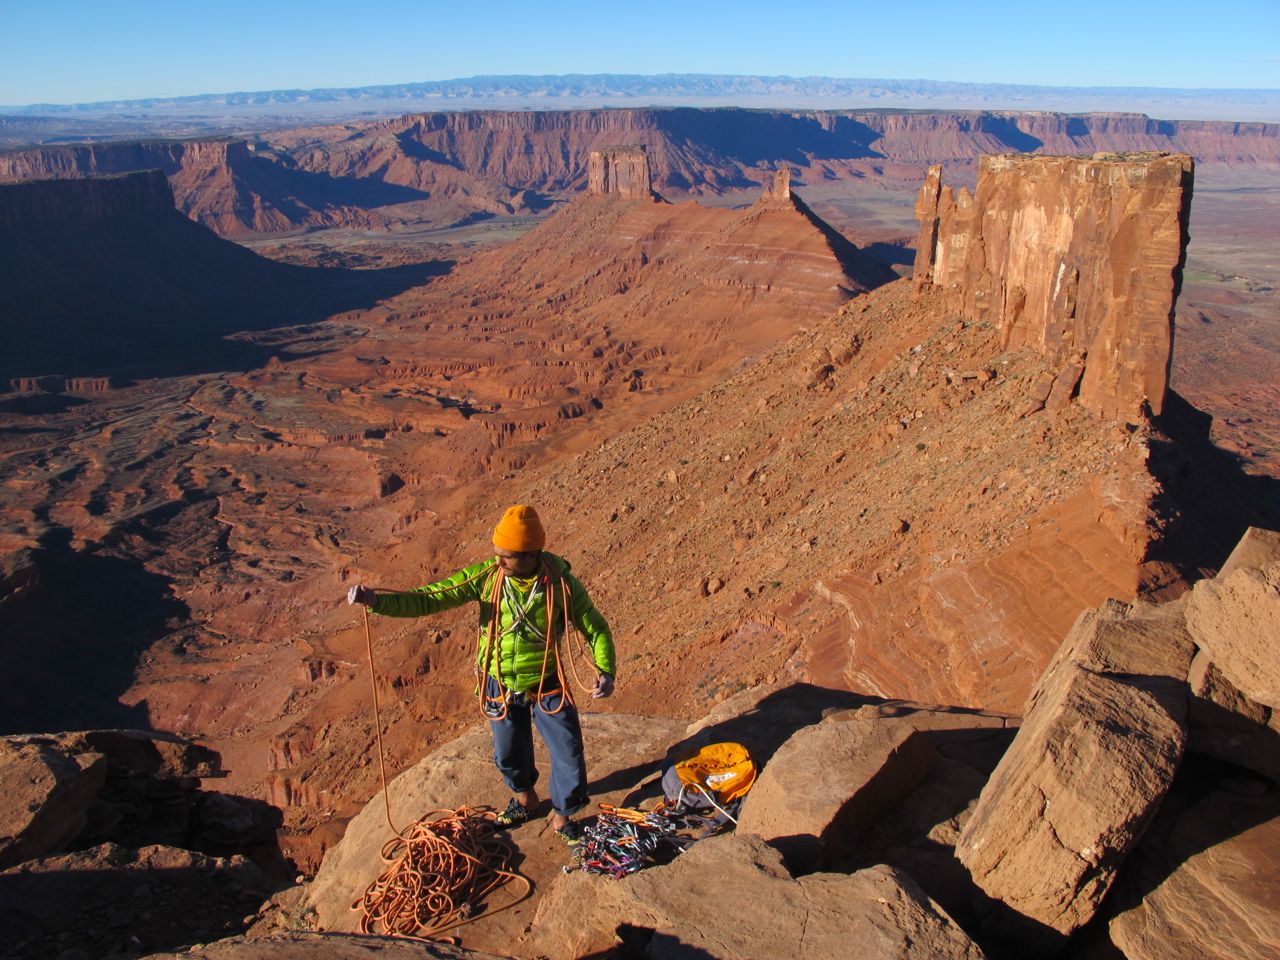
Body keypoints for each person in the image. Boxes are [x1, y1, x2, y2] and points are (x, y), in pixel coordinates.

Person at [346, 504, 615, 843]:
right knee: (508, 754)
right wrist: (376, 601)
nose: (499, 561)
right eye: (498, 554)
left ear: (531, 554)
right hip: (498, 682)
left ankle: (561, 816)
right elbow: (430, 599)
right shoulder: (487, 578)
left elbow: (596, 628)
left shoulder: (560, 585)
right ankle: (525, 799)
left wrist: (605, 669)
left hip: (547, 681)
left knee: (568, 754)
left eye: (507, 556)